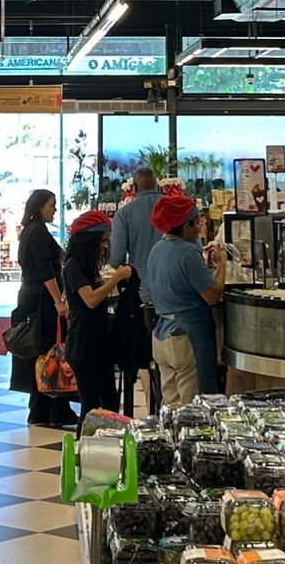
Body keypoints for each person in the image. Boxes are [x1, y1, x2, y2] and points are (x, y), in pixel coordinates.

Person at [144, 193, 225, 408]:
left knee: (170, 405)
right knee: (192, 409)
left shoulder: (156, 249)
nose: (199, 228)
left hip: (162, 337)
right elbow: (212, 296)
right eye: (196, 223)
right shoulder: (187, 252)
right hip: (185, 339)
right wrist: (222, 266)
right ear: (185, 226)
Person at [9, 188, 75, 428]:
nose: (54, 210)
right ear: (39, 207)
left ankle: (49, 408)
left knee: (45, 351)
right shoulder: (37, 232)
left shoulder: (33, 230)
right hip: (40, 300)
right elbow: (45, 270)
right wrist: (59, 300)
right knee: (47, 351)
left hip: (33, 296)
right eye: (51, 205)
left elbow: (56, 257)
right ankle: (46, 409)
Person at [62, 210, 133, 422]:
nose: (105, 246)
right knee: (90, 405)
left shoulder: (88, 266)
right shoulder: (73, 266)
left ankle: (106, 439)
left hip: (97, 342)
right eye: (102, 241)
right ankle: (84, 441)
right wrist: (115, 278)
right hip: (83, 345)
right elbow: (90, 300)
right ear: (88, 240)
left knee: (109, 401)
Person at [110, 168, 161, 415]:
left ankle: (142, 409)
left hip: (141, 295)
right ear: (158, 186)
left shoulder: (125, 213)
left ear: (135, 188)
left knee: (139, 355)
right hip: (174, 294)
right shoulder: (174, 209)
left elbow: (116, 259)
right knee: (169, 361)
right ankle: (164, 408)